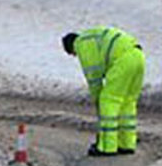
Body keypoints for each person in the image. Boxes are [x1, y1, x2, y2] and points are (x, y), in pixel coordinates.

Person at [62, 27, 145, 157]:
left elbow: (94, 78)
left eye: (73, 54)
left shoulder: (82, 45)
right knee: (127, 102)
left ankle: (107, 147)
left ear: (71, 47)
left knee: (108, 100)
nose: (75, 56)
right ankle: (127, 144)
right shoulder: (90, 37)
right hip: (138, 56)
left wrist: (98, 100)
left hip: (123, 60)